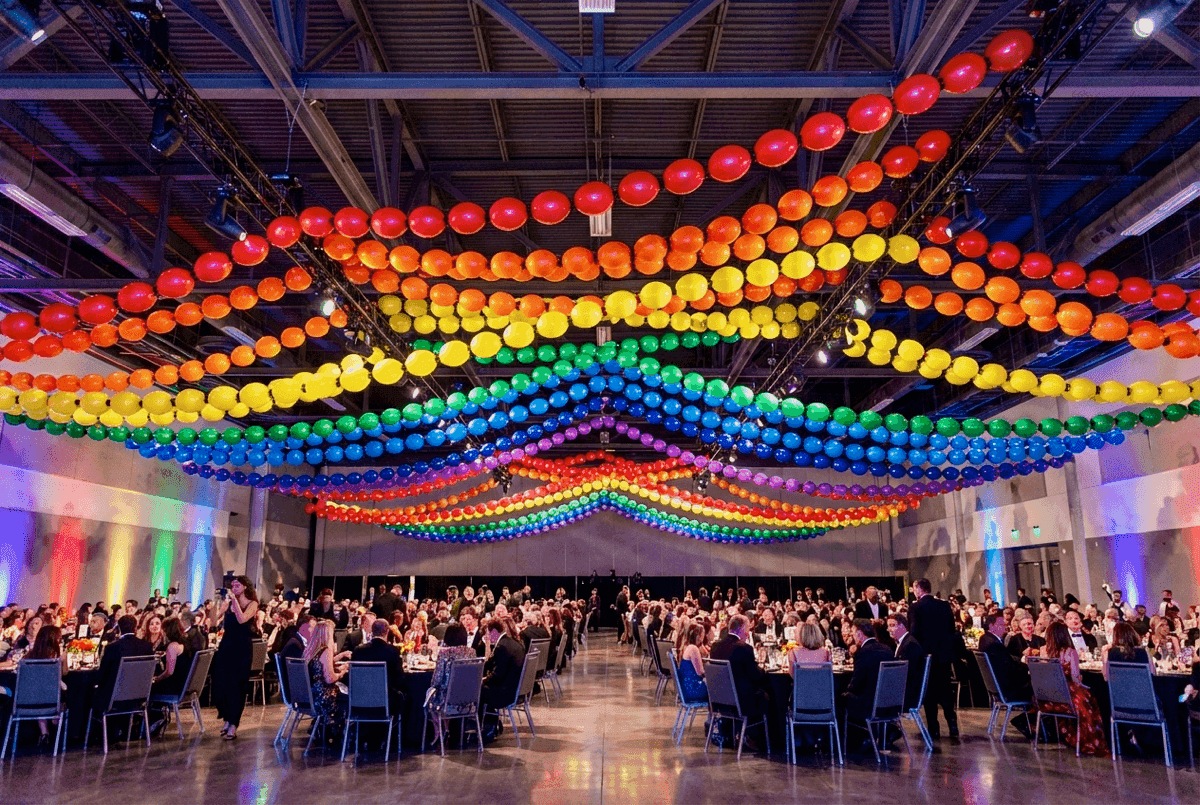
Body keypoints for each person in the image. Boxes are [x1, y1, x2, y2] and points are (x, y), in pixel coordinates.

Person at [1039, 621, 1107, 755]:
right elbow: (1076, 679)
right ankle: (1090, 740)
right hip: (1066, 697)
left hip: (1046, 697)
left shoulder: (1042, 650)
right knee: (1092, 698)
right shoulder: (1070, 652)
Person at [709, 614, 769, 747]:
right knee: (767, 694)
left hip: (719, 700)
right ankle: (758, 738)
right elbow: (755, 675)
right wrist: (763, 669)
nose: (748, 633)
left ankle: (738, 733)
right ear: (741, 629)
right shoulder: (744, 648)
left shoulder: (715, 647)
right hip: (740, 702)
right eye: (747, 629)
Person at [211, 575, 259, 740]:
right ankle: (226, 718)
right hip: (226, 645)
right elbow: (212, 622)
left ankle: (233, 724)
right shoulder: (229, 602)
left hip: (242, 648)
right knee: (221, 684)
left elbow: (242, 619)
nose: (234, 588)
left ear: (245, 586)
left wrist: (235, 603)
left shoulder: (252, 604)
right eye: (233, 585)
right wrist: (218, 609)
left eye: (237, 585)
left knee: (237, 686)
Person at [909, 578, 958, 738]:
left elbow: (914, 632)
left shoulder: (915, 607)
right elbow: (952, 628)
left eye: (914, 589)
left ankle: (934, 728)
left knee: (929, 693)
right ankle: (952, 724)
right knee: (946, 691)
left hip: (927, 657)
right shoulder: (944, 605)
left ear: (919, 589)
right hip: (944, 655)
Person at [91, 615, 154, 734]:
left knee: (89, 693)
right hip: (139, 696)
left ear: (118, 629)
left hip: (114, 698)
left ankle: (95, 733)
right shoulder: (147, 646)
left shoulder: (112, 648)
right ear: (135, 628)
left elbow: (101, 676)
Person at [978, 613, 1032, 737]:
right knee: (1040, 687)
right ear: (992, 626)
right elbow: (1009, 670)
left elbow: (1006, 661)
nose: (1005, 627)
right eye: (1001, 624)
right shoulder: (994, 644)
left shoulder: (985, 639)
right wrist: (1027, 666)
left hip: (996, 688)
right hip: (1008, 689)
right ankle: (1029, 722)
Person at [424, 622, 476, 745]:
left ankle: (438, 732)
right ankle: (449, 731)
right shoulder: (471, 652)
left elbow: (436, 681)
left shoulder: (444, 653)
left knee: (428, 693)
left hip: (447, 701)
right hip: (468, 700)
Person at [303, 620, 347, 749]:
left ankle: (320, 727)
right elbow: (330, 679)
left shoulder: (310, 650)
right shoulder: (325, 650)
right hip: (323, 697)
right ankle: (341, 735)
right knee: (349, 696)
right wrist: (342, 672)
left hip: (311, 695)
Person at [481, 615, 527, 740]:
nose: (488, 637)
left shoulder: (502, 646)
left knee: (477, 691)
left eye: (488, 634)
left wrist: (482, 680)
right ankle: (491, 725)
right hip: (516, 690)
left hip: (505, 693)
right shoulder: (513, 642)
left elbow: (498, 676)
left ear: (494, 632)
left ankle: (487, 729)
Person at [351, 619, 405, 722]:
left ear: (372, 631)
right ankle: (397, 735)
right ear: (387, 632)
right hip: (385, 702)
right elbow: (399, 680)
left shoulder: (358, 650)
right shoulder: (392, 651)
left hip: (359, 701)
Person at [842, 620, 893, 728]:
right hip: (889, 702)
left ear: (860, 633)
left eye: (854, 633)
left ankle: (847, 741)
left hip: (869, 704)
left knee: (839, 699)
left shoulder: (863, 652)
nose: (853, 636)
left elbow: (856, 685)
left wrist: (844, 690)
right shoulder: (887, 649)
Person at [23, 624, 66, 747]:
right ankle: (56, 725)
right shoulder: (56, 658)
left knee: (39, 692)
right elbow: (65, 673)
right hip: (53, 700)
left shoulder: (29, 656)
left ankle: (44, 733)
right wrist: (64, 659)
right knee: (59, 693)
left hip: (29, 700)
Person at [888, 613, 927, 711]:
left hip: (908, 696)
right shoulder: (905, 642)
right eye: (888, 626)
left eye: (892, 625)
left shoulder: (910, 645)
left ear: (902, 626)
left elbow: (905, 674)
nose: (889, 629)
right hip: (905, 692)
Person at [677, 622, 708, 701]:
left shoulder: (687, 646)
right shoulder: (693, 649)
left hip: (686, 687)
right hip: (693, 689)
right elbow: (700, 672)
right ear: (699, 636)